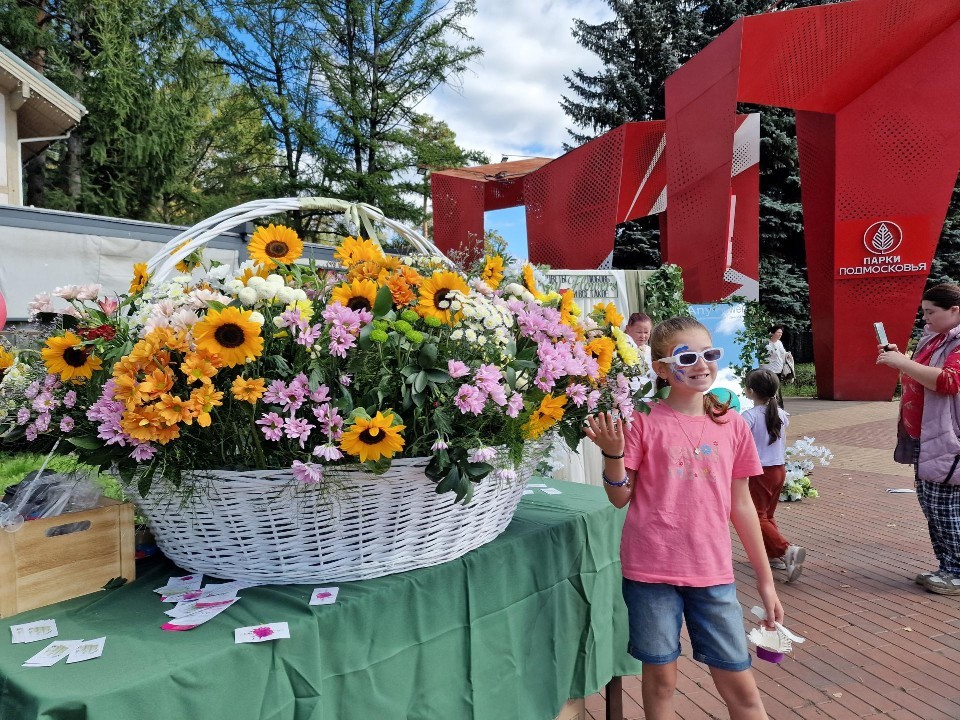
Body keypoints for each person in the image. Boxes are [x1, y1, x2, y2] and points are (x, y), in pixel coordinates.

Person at [585, 316, 783, 719]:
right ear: (661, 367)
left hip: (712, 573)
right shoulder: (641, 420)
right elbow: (620, 497)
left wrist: (766, 582)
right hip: (650, 571)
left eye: (709, 354)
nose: (701, 364)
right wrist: (612, 454)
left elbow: (742, 506)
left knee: (740, 686)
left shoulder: (732, 424)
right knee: (661, 683)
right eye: (687, 356)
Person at [878, 283, 960, 596]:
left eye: (931, 312)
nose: (925, 319)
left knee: (944, 507)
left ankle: (956, 571)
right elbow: (919, 371)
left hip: (948, 437)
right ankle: (947, 566)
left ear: (955, 310)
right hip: (925, 435)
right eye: (923, 312)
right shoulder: (936, 336)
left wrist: (901, 363)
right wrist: (901, 358)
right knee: (931, 504)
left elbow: (950, 381)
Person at [742, 369, 805, 582]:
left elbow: (739, 443)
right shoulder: (781, 414)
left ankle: (787, 550)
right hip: (778, 470)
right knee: (767, 515)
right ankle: (774, 555)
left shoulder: (748, 417)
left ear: (749, 391)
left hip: (760, 471)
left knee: (755, 516)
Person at [625, 312, 656, 395]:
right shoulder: (620, 351)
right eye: (639, 332)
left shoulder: (653, 352)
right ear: (628, 329)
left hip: (650, 402)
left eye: (646, 332)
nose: (643, 336)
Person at [760, 325, 790, 408]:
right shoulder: (766, 343)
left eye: (781, 332)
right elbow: (767, 355)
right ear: (772, 333)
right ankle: (772, 408)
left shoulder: (779, 343)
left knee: (777, 389)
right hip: (768, 370)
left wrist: (788, 355)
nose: (780, 334)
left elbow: (783, 353)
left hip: (778, 370)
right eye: (778, 332)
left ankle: (779, 408)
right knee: (772, 390)